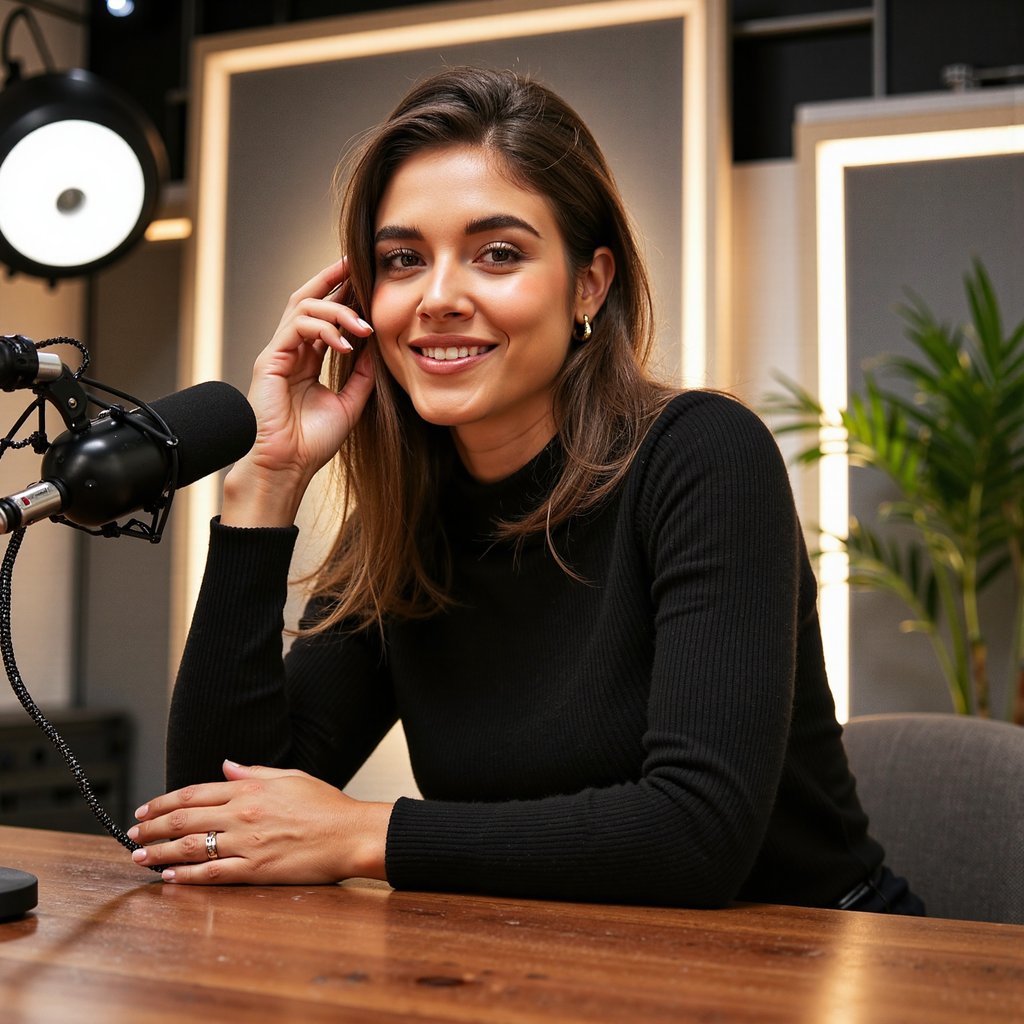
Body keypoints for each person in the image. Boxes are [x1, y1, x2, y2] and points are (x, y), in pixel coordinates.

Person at [127, 66, 923, 914]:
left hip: (809, 963)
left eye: (497, 254)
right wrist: (265, 487)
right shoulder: (405, 521)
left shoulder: (703, 456)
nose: (438, 297)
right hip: (554, 968)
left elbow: (697, 836)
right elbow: (212, 820)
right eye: (402, 261)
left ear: (590, 282)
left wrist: (364, 833)